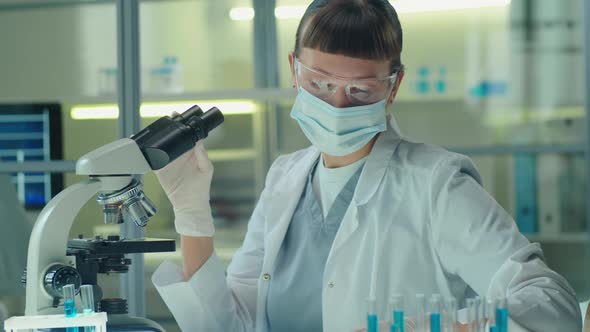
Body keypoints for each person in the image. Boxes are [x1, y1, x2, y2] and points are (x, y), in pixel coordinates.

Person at [151, 0, 582, 331]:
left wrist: (436, 327)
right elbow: (231, 324)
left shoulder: (436, 184)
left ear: (393, 87)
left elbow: (551, 305)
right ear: (293, 70)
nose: (337, 105)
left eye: (360, 91)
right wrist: (193, 216)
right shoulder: (285, 178)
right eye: (319, 84)